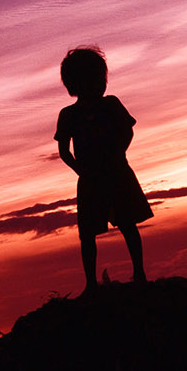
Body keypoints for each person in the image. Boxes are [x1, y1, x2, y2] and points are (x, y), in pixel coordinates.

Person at [55, 47, 150, 290]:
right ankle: (91, 284)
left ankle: (139, 274)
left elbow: (127, 131)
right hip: (91, 179)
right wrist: (82, 171)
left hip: (116, 173)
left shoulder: (111, 104)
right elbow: (64, 151)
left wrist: (118, 153)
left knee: (127, 224)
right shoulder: (69, 115)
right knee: (87, 233)